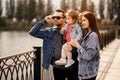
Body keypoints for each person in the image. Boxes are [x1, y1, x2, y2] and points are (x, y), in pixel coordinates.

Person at [29, 9, 79, 80]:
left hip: (72, 66)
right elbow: (32, 32)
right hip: (57, 67)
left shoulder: (72, 30)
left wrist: (72, 49)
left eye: (58, 18)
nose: (55, 19)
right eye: (54, 17)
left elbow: (79, 45)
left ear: (64, 19)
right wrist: (44, 21)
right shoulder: (49, 32)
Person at [68, 11, 102, 80]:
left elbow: (88, 56)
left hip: (88, 74)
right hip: (86, 72)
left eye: (84, 20)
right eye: (81, 20)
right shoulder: (88, 33)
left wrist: (78, 46)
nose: (82, 22)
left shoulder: (93, 36)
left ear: (91, 21)